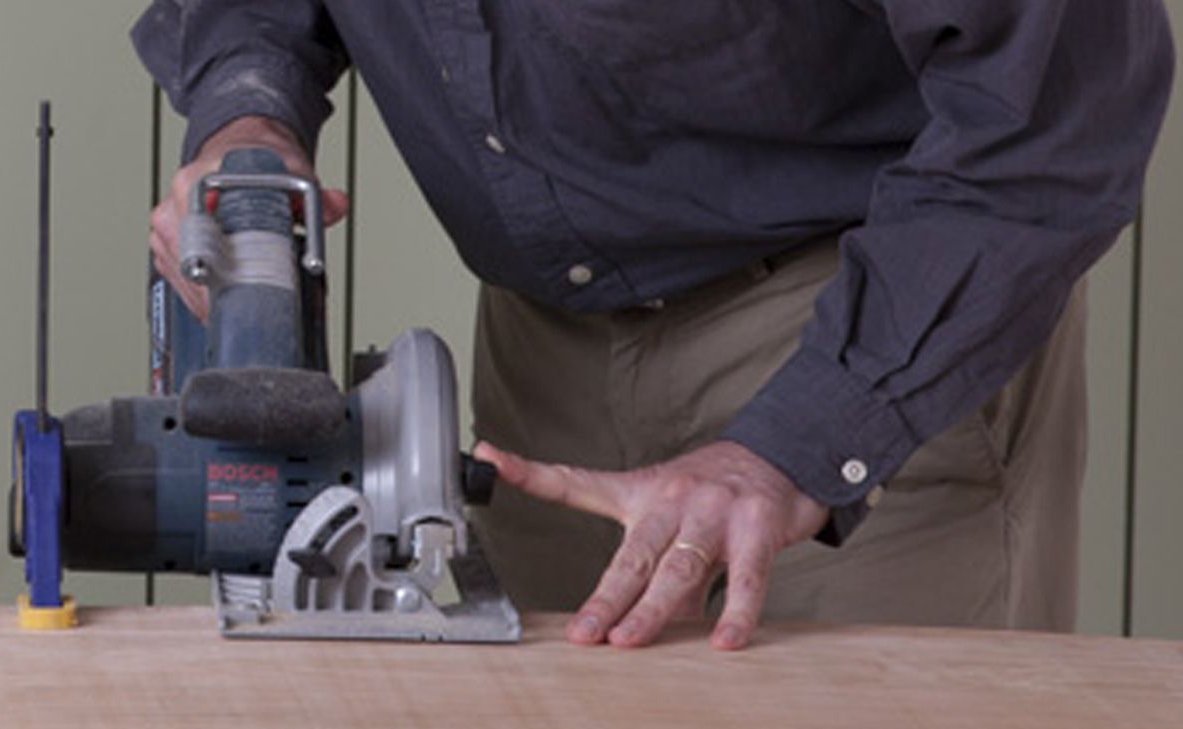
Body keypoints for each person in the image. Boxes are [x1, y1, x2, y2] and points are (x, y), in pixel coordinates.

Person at [133, 2, 1174, 650]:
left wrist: (795, 447)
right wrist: (248, 118)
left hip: (850, 332)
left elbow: (1052, 119)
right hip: (542, 356)